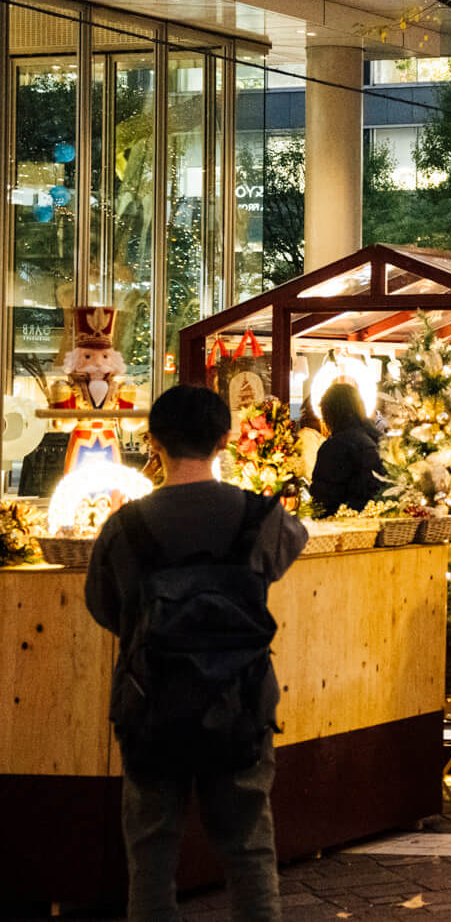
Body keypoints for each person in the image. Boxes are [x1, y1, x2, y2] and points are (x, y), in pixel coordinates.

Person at [85, 385, 308, 922]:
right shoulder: (263, 519)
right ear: (225, 439)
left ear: (154, 441)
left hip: (149, 703)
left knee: (151, 856)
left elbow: (105, 609)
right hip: (240, 702)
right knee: (249, 850)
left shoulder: (125, 526)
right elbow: (284, 556)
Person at [308, 381, 383, 515]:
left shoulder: (335, 447)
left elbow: (322, 500)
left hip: (344, 524)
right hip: (375, 519)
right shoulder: (377, 439)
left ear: (330, 412)